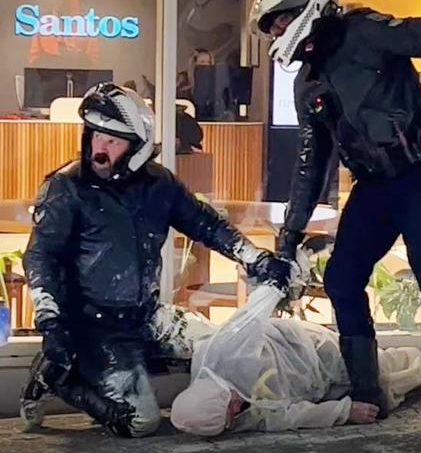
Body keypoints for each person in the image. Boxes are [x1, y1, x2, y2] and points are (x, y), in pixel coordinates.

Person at [248, 0, 421, 443]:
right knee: (342, 279)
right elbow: (312, 166)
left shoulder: (363, 30)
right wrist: (287, 239)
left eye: (281, 21)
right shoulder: (308, 83)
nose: (277, 33)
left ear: (305, 9)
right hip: (373, 186)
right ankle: (366, 393)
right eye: (271, 27)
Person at [19, 83, 293, 438]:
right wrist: (51, 321)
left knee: (225, 351)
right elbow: (41, 256)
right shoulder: (66, 187)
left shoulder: (159, 184)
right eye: (94, 136)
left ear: (137, 147)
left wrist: (256, 259)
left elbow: (205, 223)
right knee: (140, 422)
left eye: (111, 141)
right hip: (94, 327)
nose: (98, 148)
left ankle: (113, 366)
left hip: (147, 315)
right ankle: (59, 378)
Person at [170, 314, 421, 436]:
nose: (238, 408)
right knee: (378, 396)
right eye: (229, 418)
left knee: (383, 372)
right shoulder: (226, 409)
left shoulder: (221, 354)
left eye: (230, 405)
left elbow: (253, 319)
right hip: (310, 386)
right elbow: (279, 416)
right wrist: (344, 411)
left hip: (309, 349)